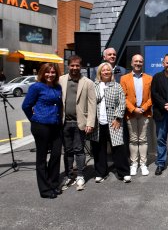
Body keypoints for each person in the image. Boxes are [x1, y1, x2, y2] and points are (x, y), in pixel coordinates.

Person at [22, 63, 63, 199]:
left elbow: (59, 106)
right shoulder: (36, 87)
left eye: (53, 72)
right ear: (42, 73)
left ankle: (53, 184)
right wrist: (33, 119)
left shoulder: (58, 87)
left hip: (56, 126)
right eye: (47, 72)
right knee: (41, 158)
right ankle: (45, 189)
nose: (50, 75)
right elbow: (26, 105)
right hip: (41, 126)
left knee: (56, 154)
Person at [89, 62, 131, 183]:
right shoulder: (93, 85)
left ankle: (124, 172)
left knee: (118, 148)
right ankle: (100, 173)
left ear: (111, 72)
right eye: (104, 70)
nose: (106, 72)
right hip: (98, 122)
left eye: (108, 70)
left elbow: (122, 103)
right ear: (100, 72)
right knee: (98, 149)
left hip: (113, 122)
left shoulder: (117, 86)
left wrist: (118, 118)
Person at [59, 55, 96, 191]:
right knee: (67, 151)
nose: (74, 68)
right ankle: (69, 175)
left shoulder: (87, 82)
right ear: (68, 66)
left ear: (81, 67)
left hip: (80, 122)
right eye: (72, 65)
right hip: (64, 123)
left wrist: (90, 123)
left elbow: (92, 104)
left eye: (77, 65)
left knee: (79, 150)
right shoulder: (61, 80)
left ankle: (80, 175)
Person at [120, 54, 152, 177]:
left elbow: (151, 97)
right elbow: (123, 96)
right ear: (132, 63)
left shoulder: (149, 78)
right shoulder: (124, 78)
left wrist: (143, 108)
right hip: (131, 113)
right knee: (133, 140)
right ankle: (134, 164)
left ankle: (143, 164)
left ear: (142, 63)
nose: (138, 63)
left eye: (140, 61)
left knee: (143, 139)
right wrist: (133, 109)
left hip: (145, 112)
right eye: (136, 61)